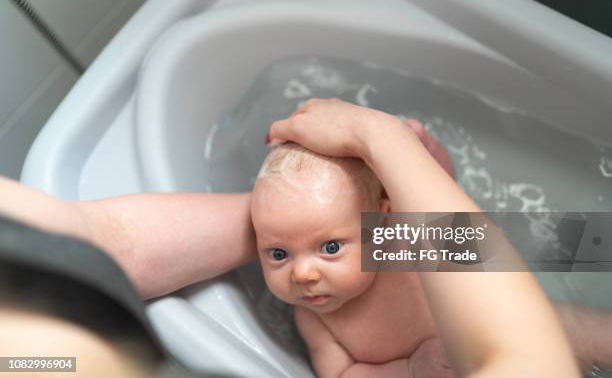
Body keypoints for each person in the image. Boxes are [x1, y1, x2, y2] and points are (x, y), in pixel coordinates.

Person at [0, 97, 609, 375]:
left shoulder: (393, 242)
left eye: (330, 247)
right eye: (278, 253)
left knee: (576, 324)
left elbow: (453, 224)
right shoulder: (318, 318)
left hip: (506, 316)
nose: (304, 273)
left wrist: (410, 159)